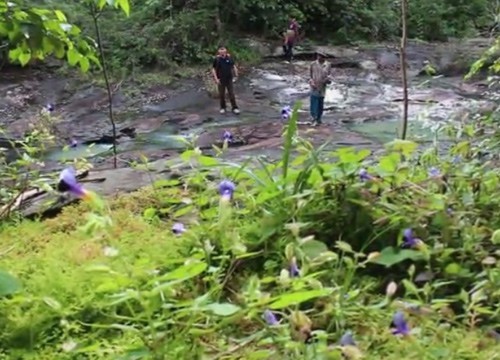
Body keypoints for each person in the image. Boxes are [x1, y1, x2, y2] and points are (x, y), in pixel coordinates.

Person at [212, 46, 240, 114]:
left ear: (226, 50)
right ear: (219, 51)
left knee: (231, 94)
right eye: (220, 50)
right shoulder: (217, 59)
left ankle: (235, 108)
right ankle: (223, 108)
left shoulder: (229, 58)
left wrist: (236, 74)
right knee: (222, 94)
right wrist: (216, 79)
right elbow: (213, 69)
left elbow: (233, 66)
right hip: (221, 79)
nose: (222, 51)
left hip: (229, 79)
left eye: (223, 49)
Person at [309, 52, 331, 126]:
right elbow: (310, 75)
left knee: (320, 103)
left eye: (321, 56)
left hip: (322, 86)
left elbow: (329, 75)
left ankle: (319, 119)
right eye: (318, 56)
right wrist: (311, 82)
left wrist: (328, 80)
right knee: (314, 102)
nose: (319, 57)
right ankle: (314, 118)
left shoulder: (328, 65)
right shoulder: (313, 64)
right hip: (314, 85)